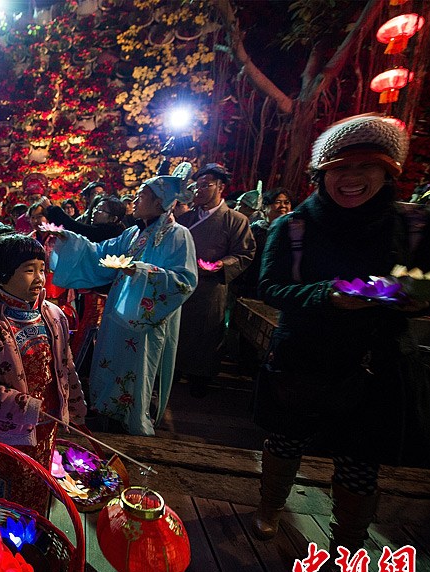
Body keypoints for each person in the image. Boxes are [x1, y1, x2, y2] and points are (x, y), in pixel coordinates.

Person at [252, 115, 430, 560]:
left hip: (375, 363)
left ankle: (348, 543)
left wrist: (414, 298)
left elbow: (425, 283)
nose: (351, 178)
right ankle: (271, 505)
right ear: (322, 174)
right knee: (286, 440)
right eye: (339, 168)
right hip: (304, 357)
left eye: (365, 166)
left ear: (389, 171)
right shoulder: (293, 226)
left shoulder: (412, 226)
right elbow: (269, 287)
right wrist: (325, 295)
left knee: (360, 460)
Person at [50, 176, 198, 435]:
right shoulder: (133, 234)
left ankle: (132, 420)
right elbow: (100, 253)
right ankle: (108, 413)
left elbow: (184, 281)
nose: (135, 201)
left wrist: (141, 271)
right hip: (118, 311)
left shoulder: (178, 235)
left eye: (142, 195)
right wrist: (69, 239)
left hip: (146, 319)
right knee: (111, 361)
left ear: (160, 202)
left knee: (138, 368)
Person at [0, 234, 86, 512]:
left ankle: (38, 528)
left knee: (41, 481)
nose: (40, 278)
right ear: (3, 275)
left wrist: (74, 405)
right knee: (10, 487)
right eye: (29, 270)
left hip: (49, 424)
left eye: (42, 269)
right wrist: (24, 407)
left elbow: (65, 365)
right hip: (9, 430)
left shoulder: (54, 316)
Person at [176, 163, 255, 397]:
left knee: (206, 333)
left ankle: (200, 377)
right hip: (183, 283)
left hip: (211, 286)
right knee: (179, 330)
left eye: (205, 185)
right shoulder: (186, 218)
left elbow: (244, 253)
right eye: (197, 186)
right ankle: (174, 371)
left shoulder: (236, 220)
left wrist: (221, 265)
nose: (198, 190)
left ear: (220, 187)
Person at [232, 187, 293, 300]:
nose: (283, 206)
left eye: (286, 202)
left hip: (279, 291)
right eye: (277, 202)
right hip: (251, 290)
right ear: (264, 207)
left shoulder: (294, 233)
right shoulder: (254, 231)